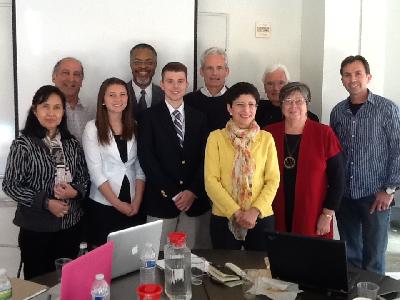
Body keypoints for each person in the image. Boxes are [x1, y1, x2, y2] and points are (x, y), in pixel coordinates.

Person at [2, 85, 89, 279]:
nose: (51, 113)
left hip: (70, 227)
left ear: (63, 112)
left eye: (57, 107)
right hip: (36, 229)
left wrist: (74, 192)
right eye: (45, 107)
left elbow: (84, 178)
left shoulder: (71, 143)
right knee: (38, 285)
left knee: (67, 283)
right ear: (35, 110)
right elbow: (10, 185)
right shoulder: (23, 144)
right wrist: (46, 202)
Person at [330, 55, 400, 274]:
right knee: (350, 255)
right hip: (345, 196)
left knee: (374, 257)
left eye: (358, 73)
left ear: (368, 77)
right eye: (347, 75)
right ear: (341, 79)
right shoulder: (338, 112)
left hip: (375, 196)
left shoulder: (386, 109)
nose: (353, 79)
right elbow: (335, 154)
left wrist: (389, 190)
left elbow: (398, 149)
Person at [138, 62, 211, 249]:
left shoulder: (200, 117)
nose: (175, 86)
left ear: (187, 84)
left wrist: (192, 191)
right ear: (161, 84)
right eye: (170, 81)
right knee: (158, 258)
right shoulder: (148, 117)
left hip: (194, 203)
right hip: (161, 202)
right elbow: (147, 159)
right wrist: (174, 193)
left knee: (194, 259)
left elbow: (207, 158)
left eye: (180, 81)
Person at [204, 82, 280, 250]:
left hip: (261, 217)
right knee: (224, 271)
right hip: (224, 216)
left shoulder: (266, 138)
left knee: (260, 270)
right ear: (230, 108)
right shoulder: (215, 138)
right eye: (240, 105)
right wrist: (236, 213)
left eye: (251, 104)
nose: (246, 110)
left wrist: (254, 211)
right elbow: (211, 181)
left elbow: (273, 180)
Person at [266, 82, 344, 239]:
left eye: (299, 101)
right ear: (281, 105)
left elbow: (338, 179)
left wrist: (327, 215)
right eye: (288, 101)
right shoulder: (268, 133)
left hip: (313, 213)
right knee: (278, 259)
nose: (293, 106)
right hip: (274, 211)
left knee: (310, 260)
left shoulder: (324, 134)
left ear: (307, 104)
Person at [82, 77, 145, 246]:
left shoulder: (135, 125)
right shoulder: (92, 128)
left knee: (131, 257)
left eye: (122, 94)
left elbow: (140, 167)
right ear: (103, 99)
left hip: (132, 201)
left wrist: (137, 201)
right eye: (112, 95)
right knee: (104, 260)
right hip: (104, 203)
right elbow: (96, 173)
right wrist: (118, 204)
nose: (118, 99)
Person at [184, 47, 231, 133]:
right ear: (201, 71)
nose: (214, 73)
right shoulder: (187, 101)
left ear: (227, 71)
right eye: (209, 68)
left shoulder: (236, 100)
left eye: (219, 68)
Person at [52, 57, 93, 143]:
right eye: (66, 73)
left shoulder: (92, 112)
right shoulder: (44, 112)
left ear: (82, 81)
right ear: (54, 77)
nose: (71, 79)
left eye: (77, 74)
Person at [127, 43, 164, 120]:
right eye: (137, 62)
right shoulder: (119, 94)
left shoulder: (166, 95)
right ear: (130, 64)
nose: (143, 66)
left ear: (155, 65)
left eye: (149, 62)